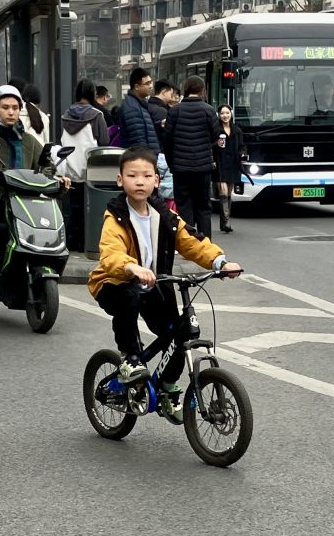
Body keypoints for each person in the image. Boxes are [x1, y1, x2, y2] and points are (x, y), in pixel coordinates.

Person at [88, 146, 241, 423]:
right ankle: (129, 358)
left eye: (147, 175)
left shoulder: (164, 214)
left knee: (181, 332)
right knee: (129, 295)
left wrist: (219, 262)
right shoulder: (116, 215)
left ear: (156, 180)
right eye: (132, 175)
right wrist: (131, 267)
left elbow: (191, 242)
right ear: (120, 180)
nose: (140, 181)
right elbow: (110, 252)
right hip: (115, 282)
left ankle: (168, 389)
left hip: (157, 285)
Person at [0, 85, 69, 268]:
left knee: (50, 219)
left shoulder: (28, 141)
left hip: (25, 202)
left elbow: (45, 166)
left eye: (15, 108)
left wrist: (57, 180)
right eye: (5, 107)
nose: (10, 112)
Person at [163, 76, 218, 238]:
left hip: (181, 169)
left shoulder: (174, 111)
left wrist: (172, 164)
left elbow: (166, 141)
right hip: (203, 167)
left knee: (184, 205)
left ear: (185, 89)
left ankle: (189, 243)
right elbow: (216, 136)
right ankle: (205, 242)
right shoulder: (209, 110)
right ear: (202, 90)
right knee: (203, 206)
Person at [59, 79, 110, 180]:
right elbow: (104, 142)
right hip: (90, 171)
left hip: (69, 172)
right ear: (93, 94)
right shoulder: (97, 115)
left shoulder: (66, 115)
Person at [213, 104, 245, 233]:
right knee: (223, 193)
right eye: (222, 113)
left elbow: (242, 146)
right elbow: (208, 145)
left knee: (229, 193)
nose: (225, 116)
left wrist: (242, 153)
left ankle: (224, 221)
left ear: (231, 114)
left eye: (227, 113)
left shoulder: (237, 130)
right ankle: (226, 221)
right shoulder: (215, 130)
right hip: (219, 163)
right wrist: (216, 144)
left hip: (233, 164)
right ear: (219, 115)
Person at [119, 67, 160, 152]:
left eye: (151, 82)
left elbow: (144, 128)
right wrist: (145, 158)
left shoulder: (140, 103)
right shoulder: (131, 107)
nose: (151, 86)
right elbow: (137, 139)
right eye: (147, 83)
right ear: (137, 86)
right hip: (141, 158)